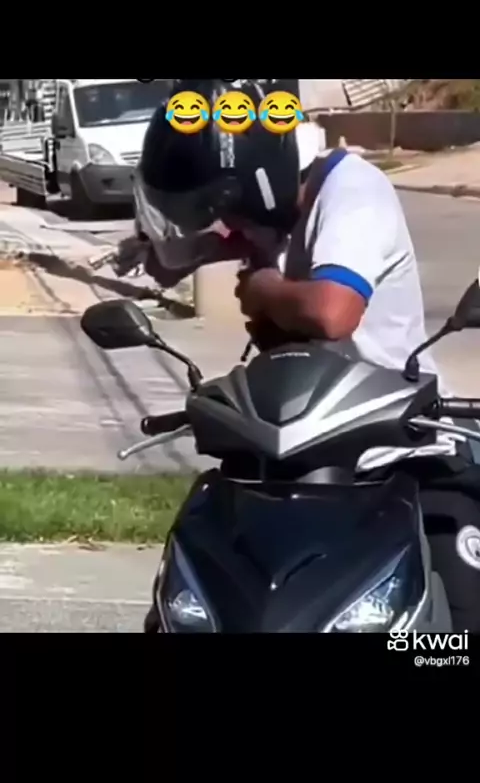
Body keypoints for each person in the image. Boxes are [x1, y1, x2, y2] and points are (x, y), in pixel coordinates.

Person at [132, 78, 480, 631]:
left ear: (257, 186)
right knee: (202, 589)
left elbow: (332, 312)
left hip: (400, 445)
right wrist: (172, 246)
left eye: (226, 207)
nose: (229, 222)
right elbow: (178, 257)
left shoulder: (352, 192)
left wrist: (264, 290)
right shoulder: (278, 216)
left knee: (459, 612)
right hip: (300, 448)